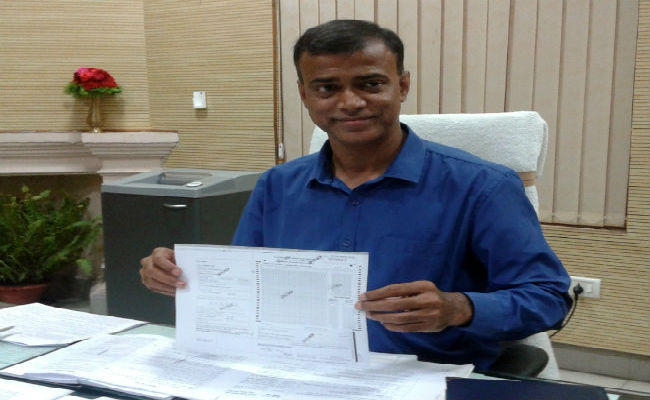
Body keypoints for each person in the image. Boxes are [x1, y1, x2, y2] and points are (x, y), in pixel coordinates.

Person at [140, 19, 572, 372]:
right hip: (294, 372)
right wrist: (184, 277)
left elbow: (549, 298)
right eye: (327, 88)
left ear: (402, 86)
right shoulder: (277, 186)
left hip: (421, 377)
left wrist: (459, 308)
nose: (350, 102)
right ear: (305, 95)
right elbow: (247, 289)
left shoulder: (482, 186)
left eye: (370, 83)